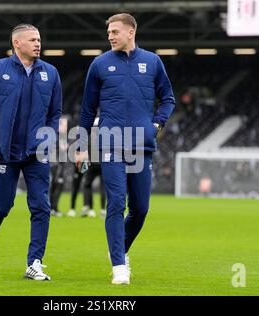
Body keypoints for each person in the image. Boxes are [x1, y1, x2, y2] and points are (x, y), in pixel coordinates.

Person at [76, 13, 175, 284]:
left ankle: (119, 250)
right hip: (110, 144)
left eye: (115, 32)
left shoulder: (153, 62)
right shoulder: (99, 64)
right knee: (116, 204)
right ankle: (119, 266)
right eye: (108, 32)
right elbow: (87, 110)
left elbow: (168, 99)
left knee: (140, 209)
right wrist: (81, 147)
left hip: (142, 145)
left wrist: (156, 124)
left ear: (131, 32)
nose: (110, 36)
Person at [0, 24, 62, 281]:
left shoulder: (51, 73)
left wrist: (47, 141)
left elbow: (54, 113)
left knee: (41, 207)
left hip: (37, 153)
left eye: (39, 39)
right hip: (6, 153)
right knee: (2, 206)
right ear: (17, 43)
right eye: (32, 40)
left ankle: (34, 262)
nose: (38, 44)